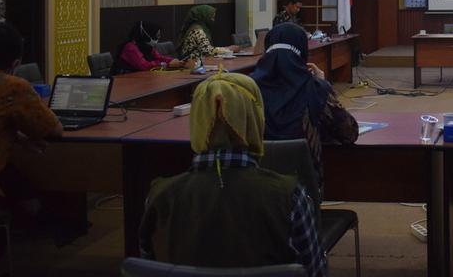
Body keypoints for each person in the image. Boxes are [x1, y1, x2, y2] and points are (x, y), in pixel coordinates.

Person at [137, 71, 325, 275]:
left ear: (197, 121)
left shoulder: (158, 198)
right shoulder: (289, 196)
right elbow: (315, 272)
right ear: (255, 119)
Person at [0, 21, 90, 247]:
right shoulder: (12, 86)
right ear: (16, 63)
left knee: (12, 175)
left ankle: (52, 224)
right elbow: (54, 131)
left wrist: (19, 138)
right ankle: (55, 225)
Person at [252, 22, 358, 192]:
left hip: (253, 188)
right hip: (303, 191)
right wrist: (324, 84)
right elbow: (349, 133)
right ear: (303, 52)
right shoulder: (315, 87)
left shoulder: (245, 87)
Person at [111, 21, 186, 75]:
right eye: (156, 35)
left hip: (141, 77)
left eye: (159, 35)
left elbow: (158, 57)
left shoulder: (145, 45)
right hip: (124, 79)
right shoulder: (130, 47)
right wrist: (167, 64)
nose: (158, 38)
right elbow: (143, 65)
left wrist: (174, 60)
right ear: (147, 35)